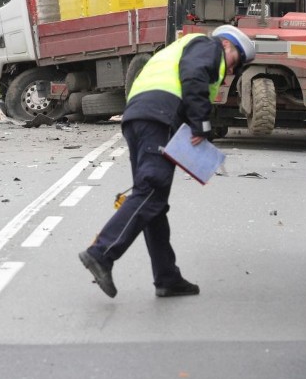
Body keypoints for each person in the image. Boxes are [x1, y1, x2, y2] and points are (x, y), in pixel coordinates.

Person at [78, 25, 256, 299]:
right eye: (237, 62)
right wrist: (201, 125)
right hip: (158, 117)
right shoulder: (207, 46)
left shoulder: (182, 48)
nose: (232, 71)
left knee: (153, 202)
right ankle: (101, 253)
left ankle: (166, 277)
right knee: (151, 190)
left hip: (140, 115)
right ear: (228, 46)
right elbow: (194, 76)